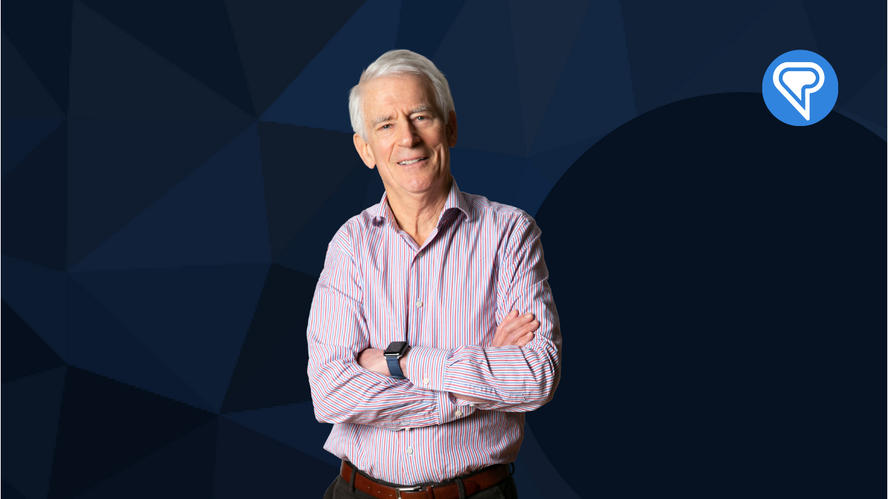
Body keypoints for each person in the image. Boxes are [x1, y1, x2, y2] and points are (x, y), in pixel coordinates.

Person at [307, 49, 562, 499]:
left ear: (451, 127)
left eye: (421, 116)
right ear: (365, 150)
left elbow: (535, 374)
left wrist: (402, 361)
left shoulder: (510, 233)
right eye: (386, 125)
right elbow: (331, 393)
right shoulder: (351, 245)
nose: (408, 138)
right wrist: (475, 382)